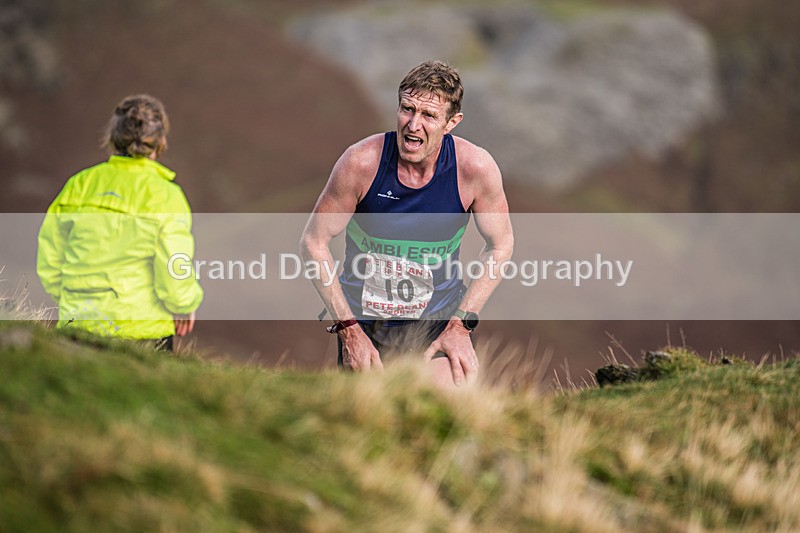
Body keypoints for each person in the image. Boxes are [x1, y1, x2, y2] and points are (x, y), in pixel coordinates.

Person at [301, 60, 513, 386]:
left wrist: (460, 325)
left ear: (451, 122)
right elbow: (313, 243)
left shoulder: (474, 169)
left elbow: (501, 245)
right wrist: (349, 330)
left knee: (443, 411)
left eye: (428, 115)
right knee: (369, 425)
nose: (413, 124)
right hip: (365, 324)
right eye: (407, 109)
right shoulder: (361, 163)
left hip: (437, 320)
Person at [37, 94, 203, 351]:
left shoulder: (80, 184)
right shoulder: (166, 196)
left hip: (78, 324)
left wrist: (70, 299)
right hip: (144, 331)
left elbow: (50, 255)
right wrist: (184, 305)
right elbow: (174, 265)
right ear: (159, 142)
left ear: (113, 138)